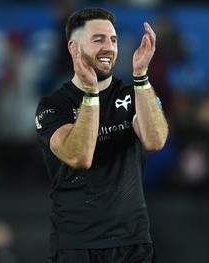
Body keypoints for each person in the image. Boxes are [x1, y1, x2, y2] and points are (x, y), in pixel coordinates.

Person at [35, 7, 168, 263]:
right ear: (74, 48)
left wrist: (141, 76)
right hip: (77, 245)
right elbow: (80, 156)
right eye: (99, 40)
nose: (109, 47)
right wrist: (91, 93)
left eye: (113, 40)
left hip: (134, 245)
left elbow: (155, 141)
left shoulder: (134, 94)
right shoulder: (53, 106)